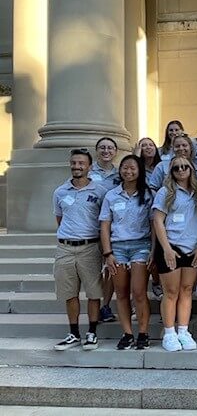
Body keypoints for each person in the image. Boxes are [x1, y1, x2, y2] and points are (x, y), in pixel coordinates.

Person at [52, 148, 109, 351]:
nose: (77, 166)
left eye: (81, 163)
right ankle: (73, 333)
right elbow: (60, 219)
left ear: (89, 167)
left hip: (90, 247)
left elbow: (105, 221)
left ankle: (92, 332)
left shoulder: (100, 191)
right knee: (69, 293)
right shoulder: (60, 191)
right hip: (65, 247)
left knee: (93, 293)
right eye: (74, 163)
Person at [99, 155, 154, 350]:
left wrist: (153, 250)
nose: (128, 171)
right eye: (124, 167)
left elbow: (153, 224)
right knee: (121, 293)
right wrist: (108, 253)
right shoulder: (111, 195)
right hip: (118, 248)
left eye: (132, 168)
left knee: (139, 292)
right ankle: (127, 333)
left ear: (139, 171)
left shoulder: (148, 195)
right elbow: (105, 225)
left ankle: (143, 332)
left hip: (141, 245)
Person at [152, 156, 197, 352]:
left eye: (185, 167)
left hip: (192, 247)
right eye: (176, 168)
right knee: (171, 292)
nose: (181, 170)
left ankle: (183, 330)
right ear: (171, 172)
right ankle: (169, 332)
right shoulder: (165, 192)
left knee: (187, 290)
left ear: (191, 169)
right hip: (171, 247)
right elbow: (157, 221)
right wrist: (166, 249)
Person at [89, 137, 121, 324]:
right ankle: (94, 302)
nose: (106, 151)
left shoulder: (120, 173)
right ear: (97, 150)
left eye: (110, 148)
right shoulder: (89, 171)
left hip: (112, 227)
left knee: (110, 269)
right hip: (90, 226)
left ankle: (106, 306)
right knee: (94, 269)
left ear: (115, 151)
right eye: (102, 148)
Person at [134, 137, 163, 300]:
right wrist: (136, 156)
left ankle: (158, 281)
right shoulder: (137, 168)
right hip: (142, 212)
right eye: (144, 145)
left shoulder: (161, 166)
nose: (148, 147)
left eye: (151, 145)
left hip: (159, 211)